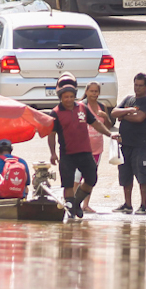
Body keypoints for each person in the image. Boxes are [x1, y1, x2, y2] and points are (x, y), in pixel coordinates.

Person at [47, 74, 120, 218]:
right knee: (68, 185)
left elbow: (96, 124)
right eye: (65, 97)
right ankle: (70, 212)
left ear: (75, 96)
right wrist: (53, 153)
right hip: (67, 154)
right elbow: (51, 134)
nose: (68, 99)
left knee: (91, 178)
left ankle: (76, 203)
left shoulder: (82, 107)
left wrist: (109, 134)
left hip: (85, 152)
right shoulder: (55, 113)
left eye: (70, 96)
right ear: (60, 97)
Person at [111, 73, 146, 215]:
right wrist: (128, 111)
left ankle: (143, 205)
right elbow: (113, 112)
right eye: (136, 85)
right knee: (125, 175)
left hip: (140, 144)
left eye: (140, 85)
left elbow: (139, 118)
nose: (137, 88)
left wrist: (123, 116)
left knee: (142, 175)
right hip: (125, 144)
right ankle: (127, 204)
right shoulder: (128, 99)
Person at [81, 82, 112, 213]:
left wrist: (105, 116)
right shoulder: (81, 106)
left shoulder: (102, 106)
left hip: (97, 148)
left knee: (90, 177)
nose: (94, 94)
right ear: (86, 92)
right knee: (77, 178)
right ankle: (74, 202)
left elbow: (108, 126)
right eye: (91, 91)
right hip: (82, 147)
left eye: (96, 91)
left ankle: (85, 204)